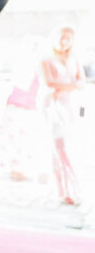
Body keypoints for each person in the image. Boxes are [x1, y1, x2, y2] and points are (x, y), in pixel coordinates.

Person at [39, 25, 84, 205]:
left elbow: (82, 82)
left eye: (68, 38)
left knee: (69, 145)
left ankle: (70, 187)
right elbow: (48, 83)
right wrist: (71, 86)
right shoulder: (46, 59)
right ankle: (63, 189)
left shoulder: (74, 58)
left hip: (70, 105)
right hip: (52, 105)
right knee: (58, 145)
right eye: (62, 37)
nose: (64, 41)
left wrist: (65, 88)